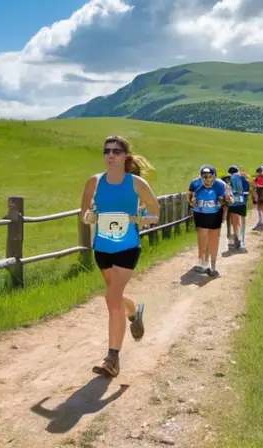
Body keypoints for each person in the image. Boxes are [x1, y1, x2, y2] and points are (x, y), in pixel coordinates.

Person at [80, 135, 160, 378]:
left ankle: (112, 358)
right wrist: (89, 216)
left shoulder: (136, 184)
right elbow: (83, 210)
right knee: (115, 296)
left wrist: (142, 219)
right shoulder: (94, 182)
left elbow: (154, 212)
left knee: (111, 299)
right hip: (102, 248)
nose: (111, 155)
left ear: (126, 156)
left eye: (116, 151)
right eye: (107, 151)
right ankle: (134, 311)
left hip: (127, 246)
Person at [187, 164, 232, 277]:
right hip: (200, 214)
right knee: (202, 239)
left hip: (215, 215)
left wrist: (227, 199)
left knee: (214, 240)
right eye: (204, 176)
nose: (207, 179)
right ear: (201, 176)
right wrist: (191, 202)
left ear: (214, 176)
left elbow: (230, 197)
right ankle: (202, 263)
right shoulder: (195, 184)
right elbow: (188, 197)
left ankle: (213, 265)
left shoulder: (221, 185)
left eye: (209, 176)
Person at [226, 165, 250, 249]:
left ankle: (236, 236)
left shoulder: (229, 179)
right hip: (242, 202)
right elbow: (247, 191)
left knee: (234, 222)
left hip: (233, 204)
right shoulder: (242, 178)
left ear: (229, 173)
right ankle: (242, 240)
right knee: (242, 221)